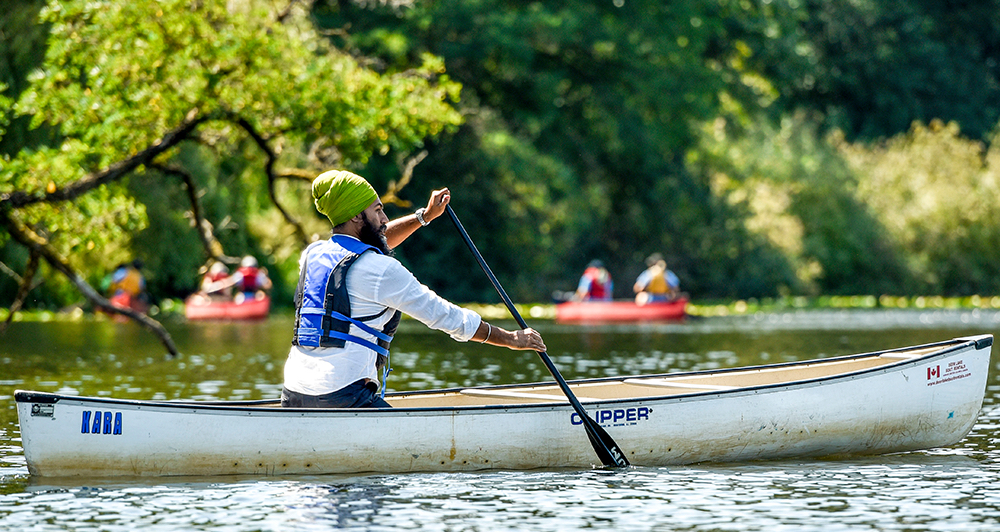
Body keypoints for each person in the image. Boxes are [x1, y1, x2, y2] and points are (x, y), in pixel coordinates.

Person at [281, 169, 547, 409]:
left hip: (293, 395)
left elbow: (376, 240)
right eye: (377, 211)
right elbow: (445, 316)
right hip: (346, 397)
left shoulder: (312, 255)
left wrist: (425, 217)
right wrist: (511, 339)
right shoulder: (382, 270)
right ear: (355, 216)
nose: (385, 218)